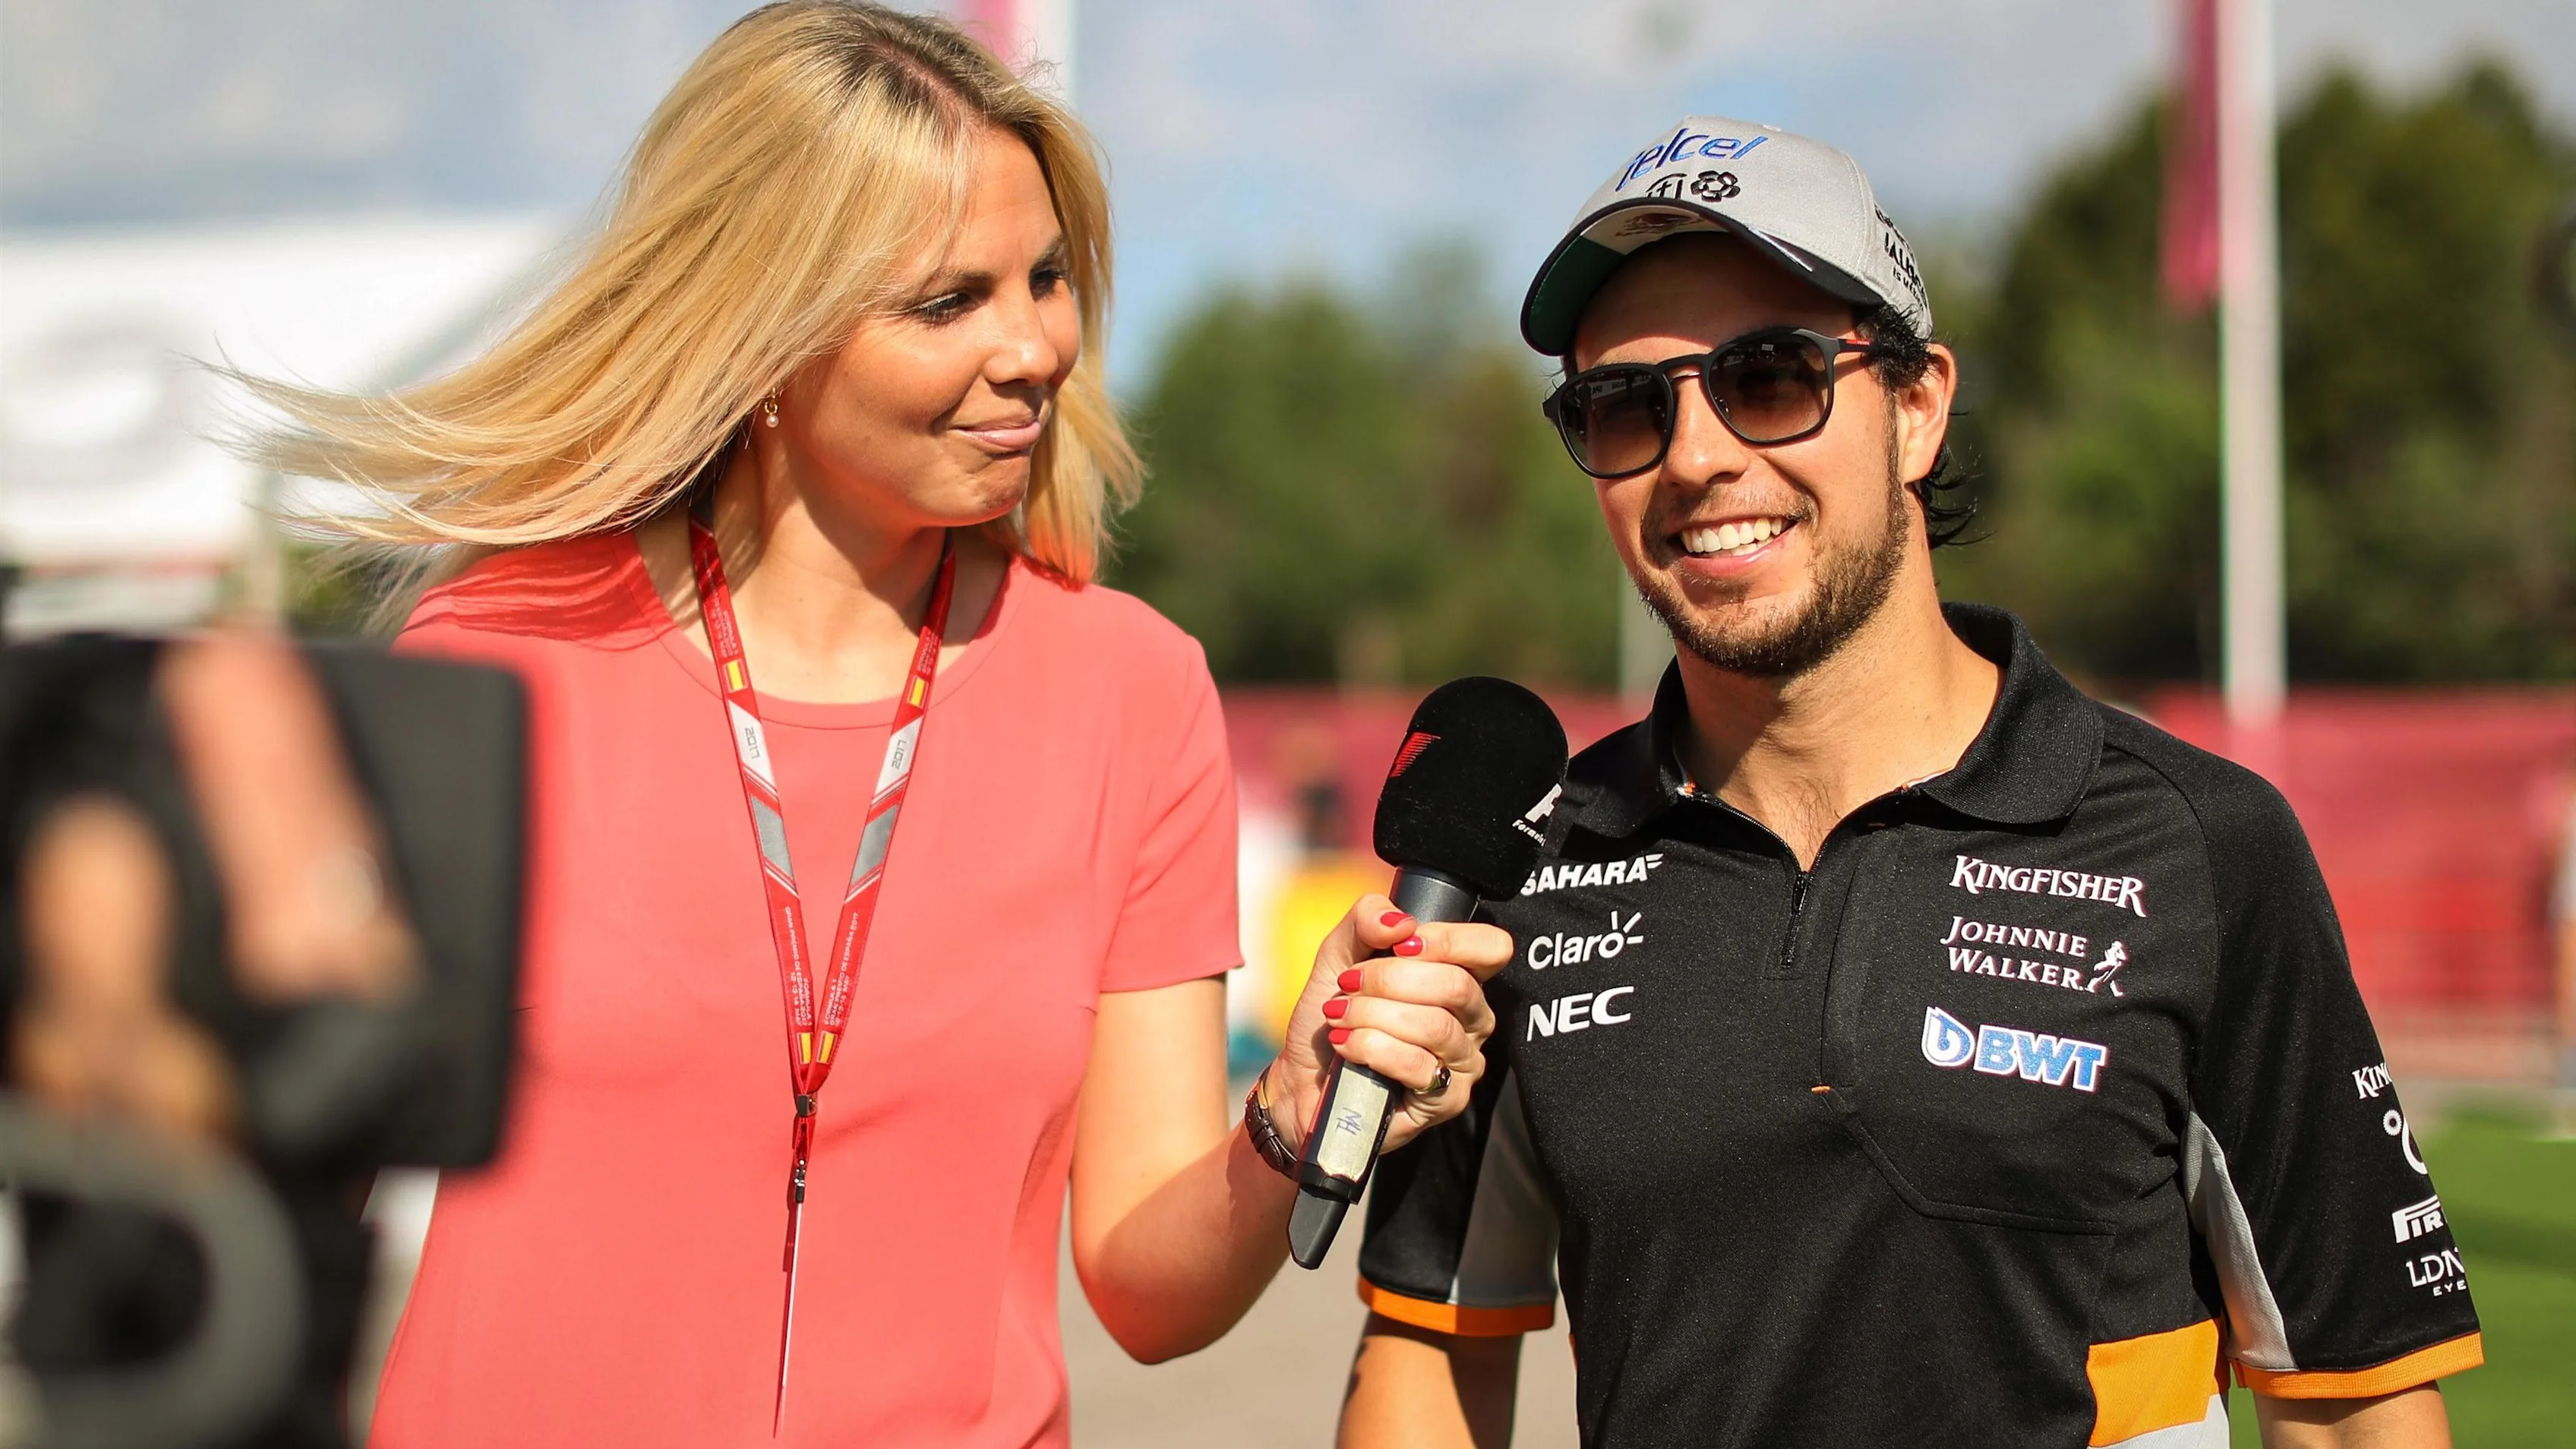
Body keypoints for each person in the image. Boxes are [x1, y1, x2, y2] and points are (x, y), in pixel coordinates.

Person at [242, 6, 1511, 1444]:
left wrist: (1287, 1114)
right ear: (765, 324)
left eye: (1045, 278)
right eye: (947, 300)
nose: (1035, 345)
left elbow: (1149, 1296)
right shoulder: (498, 655)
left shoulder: (1131, 689)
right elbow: (277, 1203)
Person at [1339, 118, 2482, 1449]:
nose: (1697, 455)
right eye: (1627, 406)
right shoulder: (1522, 874)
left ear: (1919, 406)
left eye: (1770, 378)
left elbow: (2353, 1410)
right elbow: (1426, 1349)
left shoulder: (2205, 848)